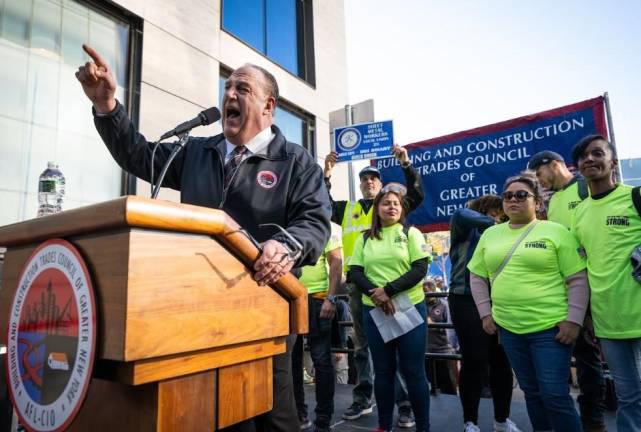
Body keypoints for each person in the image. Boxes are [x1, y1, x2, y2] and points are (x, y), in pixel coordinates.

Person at [75, 44, 331, 432]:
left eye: (242, 89)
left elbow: (315, 222)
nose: (229, 94)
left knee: (272, 418)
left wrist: (287, 244)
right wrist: (109, 106)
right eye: (227, 87)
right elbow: (139, 156)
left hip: (263, 311)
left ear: (268, 106)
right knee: (209, 415)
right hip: (196, 312)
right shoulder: (197, 150)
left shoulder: (296, 162)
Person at [468, 173, 589, 432]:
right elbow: (476, 276)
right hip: (509, 329)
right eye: (508, 196)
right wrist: (485, 314)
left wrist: (574, 320)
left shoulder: (556, 232)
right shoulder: (490, 234)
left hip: (551, 329)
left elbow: (577, 278)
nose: (513, 199)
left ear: (537, 202)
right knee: (532, 393)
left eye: (522, 195)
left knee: (554, 395)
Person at [324, 149, 424, 428]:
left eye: (374, 179)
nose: (369, 182)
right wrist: (328, 173)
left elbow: (416, 193)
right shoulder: (348, 209)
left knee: (398, 345)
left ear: (381, 185)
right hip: (360, 286)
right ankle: (363, 398)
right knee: (362, 345)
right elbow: (323, 203)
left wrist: (406, 163)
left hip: (394, 289)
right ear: (360, 185)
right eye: (364, 180)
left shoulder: (390, 207)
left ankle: (404, 405)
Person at [528, 150, 607, 432]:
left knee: (590, 358)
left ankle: (594, 419)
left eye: (540, 174)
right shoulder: (554, 200)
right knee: (571, 356)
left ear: (554, 165)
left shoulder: (586, 187)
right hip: (565, 288)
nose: (540, 181)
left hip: (597, 284)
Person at [570, 134, 641, 432]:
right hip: (607, 320)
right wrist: (585, 314)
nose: (590, 159)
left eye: (597, 153)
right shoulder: (579, 213)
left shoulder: (635, 197)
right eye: (583, 156)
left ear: (612, 162)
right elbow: (581, 267)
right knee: (629, 396)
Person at [349, 188, 431, 432]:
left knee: (414, 371)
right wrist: (377, 294)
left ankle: (423, 427)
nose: (392, 207)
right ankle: (384, 425)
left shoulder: (411, 233)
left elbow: (420, 268)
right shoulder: (364, 238)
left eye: (396, 203)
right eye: (386, 203)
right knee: (383, 372)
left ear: (402, 208)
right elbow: (355, 272)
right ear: (378, 209)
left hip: (410, 308)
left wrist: (389, 290)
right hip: (374, 311)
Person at [447, 195, 521, 432]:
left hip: (500, 299)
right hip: (465, 297)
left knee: (502, 361)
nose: (499, 217)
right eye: (495, 212)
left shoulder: (507, 234)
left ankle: (502, 420)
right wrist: (495, 224)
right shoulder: (465, 228)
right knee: (474, 360)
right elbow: (461, 214)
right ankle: (470, 422)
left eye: (501, 215)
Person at [292, 222, 343, 432]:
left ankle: (323, 419)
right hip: (289, 296)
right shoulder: (289, 219)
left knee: (321, 360)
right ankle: (298, 414)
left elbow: (336, 263)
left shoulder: (328, 227)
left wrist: (331, 298)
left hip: (318, 298)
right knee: (291, 362)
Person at [423, 278, 458, 396]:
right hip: (427, 351)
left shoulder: (444, 305)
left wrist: (432, 324)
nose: (427, 292)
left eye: (429, 288)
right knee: (432, 388)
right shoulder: (421, 305)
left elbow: (451, 328)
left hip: (444, 351)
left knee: (449, 387)